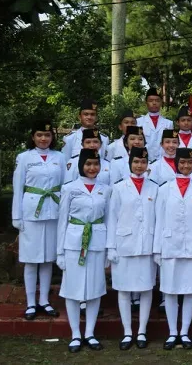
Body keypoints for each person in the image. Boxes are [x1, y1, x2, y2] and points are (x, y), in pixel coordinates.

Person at [57, 148, 111, 353]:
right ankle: (75, 334)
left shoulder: (105, 189)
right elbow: (62, 221)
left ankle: (89, 332)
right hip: (73, 241)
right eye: (88, 164)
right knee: (72, 289)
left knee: (95, 289)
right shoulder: (69, 188)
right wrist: (59, 252)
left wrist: (108, 250)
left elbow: (107, 220)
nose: (92, 168)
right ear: (81, 165)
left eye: (95, 164)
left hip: (97, 241)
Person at [153, 148, 192, 350]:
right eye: (182, 162)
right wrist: (157, 248)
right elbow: (158, 220)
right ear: (176, 163)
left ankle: (184, 331)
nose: (186, 166)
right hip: (169, 244)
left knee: (191, 289)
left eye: (189, 163)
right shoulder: (164, 188)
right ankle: (172, 332)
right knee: (170, 290)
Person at [12, 120, 65, 321]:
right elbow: (18, 188)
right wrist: (16, 216)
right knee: (31, 260)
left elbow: (64, 185)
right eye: (39, 135)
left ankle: (44, 300)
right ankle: (31, 303)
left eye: (48, 135)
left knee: (47, 259)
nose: (44, 139)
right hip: (31, 211)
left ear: (52, 137)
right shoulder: (24, 158)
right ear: (33, 136)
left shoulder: (59, 157)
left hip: (53, 210)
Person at [107, 146, 159, 350]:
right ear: (130, 163)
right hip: (124, 245)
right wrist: (111, 247)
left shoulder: (155, 188)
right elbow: (112, 218)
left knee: (146, 288)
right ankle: (127, 332)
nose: (139, 166)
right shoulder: (119, 188)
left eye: (143, 162)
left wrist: (157, 248)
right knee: (123, 290)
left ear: (147, 165)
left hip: (146, 245)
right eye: (136, 162)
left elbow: (159, 219)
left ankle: (142, 331)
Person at [136, 88, 174, 160]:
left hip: (162, 161)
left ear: (161, 102)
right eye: (151, 100)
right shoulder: (138, 122)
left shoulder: (168, 124)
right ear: (146, 102)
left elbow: (170, 144)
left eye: (157, 100)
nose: (154, 103)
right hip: (144, 161)